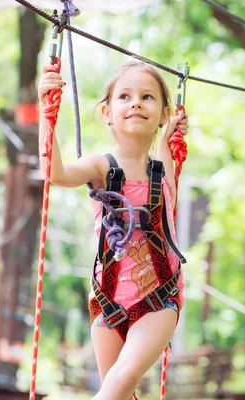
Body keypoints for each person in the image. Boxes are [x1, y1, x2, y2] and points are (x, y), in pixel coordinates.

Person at [38, 60, 189, 400]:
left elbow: (170, 173)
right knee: (118, 394)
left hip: (160, 296)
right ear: (107, 111)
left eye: (147, 97)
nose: (136, 102)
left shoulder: (163, 166)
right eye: (125, 96)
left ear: (163, 113)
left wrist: (173, 135)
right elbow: (56, 173)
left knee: (120, 382)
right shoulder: (100, 166)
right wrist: (46, 110)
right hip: (108, 300)